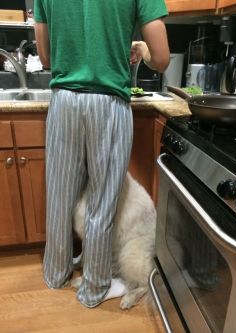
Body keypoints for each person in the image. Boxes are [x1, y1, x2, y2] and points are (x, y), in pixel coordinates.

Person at [34, 0, 170, 308]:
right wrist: (137, 49)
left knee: (59, 197)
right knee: (102, 202)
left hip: (64, 101)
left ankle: (56, 273)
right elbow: (161, 59)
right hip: (108, 104)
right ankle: (94, 287)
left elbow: (45, 57)